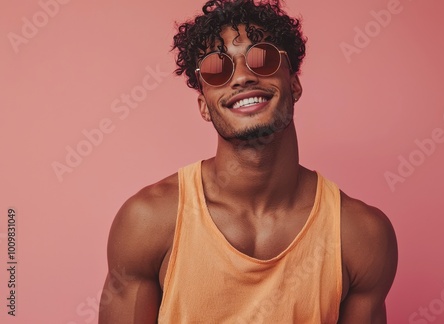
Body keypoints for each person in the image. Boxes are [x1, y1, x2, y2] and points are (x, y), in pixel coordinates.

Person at [98, 0, 398, 323]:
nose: (241, 77)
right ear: (203, 104)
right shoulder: (147, 223)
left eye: (263, 58)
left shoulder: (360, 236)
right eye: (217, 68)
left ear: (294, 83)